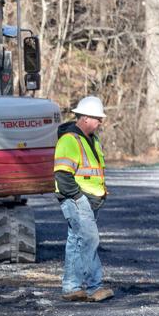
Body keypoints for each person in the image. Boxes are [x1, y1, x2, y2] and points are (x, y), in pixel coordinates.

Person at [54, 96, 114, 302]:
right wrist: (79, 198)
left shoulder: (92, 139)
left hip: (87, 199)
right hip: (77, 199)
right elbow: (62, 175)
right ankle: (93, 287)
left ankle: (71, 287)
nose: (100, 122)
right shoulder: (69, 140)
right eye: (98, 118)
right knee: (89, 240)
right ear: (86, 118)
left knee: (77, 241)